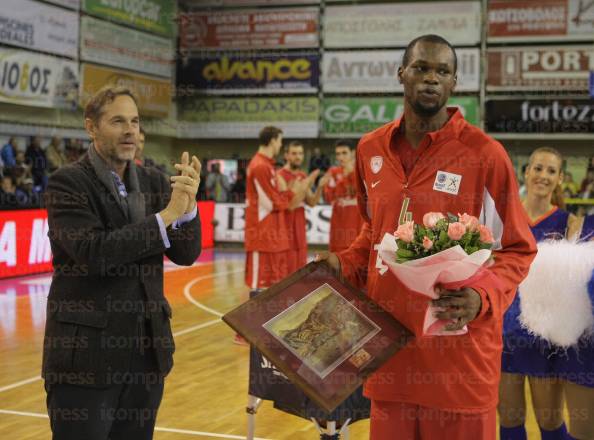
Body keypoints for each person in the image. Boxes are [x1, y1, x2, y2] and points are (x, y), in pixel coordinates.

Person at [317, 34, 536, 439]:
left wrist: (481, 297)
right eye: (421, 68)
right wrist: (340, 263)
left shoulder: (485, 155)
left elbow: (518, 250)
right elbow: (374, 233)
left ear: (454, 83)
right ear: (401, 74)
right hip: (391, 357)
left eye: (442, 71)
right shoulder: (369, 149)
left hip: (460, 362)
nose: (431, 78)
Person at [42, 86, 202, 440]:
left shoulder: (154, 180)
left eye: (135, 121)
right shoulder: (67, 182)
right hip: (85, 361)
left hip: (146, 357)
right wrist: (167, 215)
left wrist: (188, 209)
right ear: (91, 127)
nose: (131, 130)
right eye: (118, 121)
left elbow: (186, 255)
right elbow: (95, 253)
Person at [499, 147, 581, 440]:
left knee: (550, 425)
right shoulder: (503, 216)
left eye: (550, 171)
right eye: (537, 168)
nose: (542, 176)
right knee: (509, 423)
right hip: (502, 333)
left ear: (560, 178)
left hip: (545, 337)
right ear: (526, 172)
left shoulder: (569, 224)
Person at [240, 126, 317, 346]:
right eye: (280, 141)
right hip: (261, 234)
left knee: (269, 285)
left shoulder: (266, 166)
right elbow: (271, 202)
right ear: (273, 141)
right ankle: (244, 332)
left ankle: (261, 329)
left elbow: (278, 199)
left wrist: (293, 192)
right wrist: (295, 192)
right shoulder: (259, 166)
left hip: (271, 235)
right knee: (257, 284)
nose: (281, 145)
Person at [278, 141, 326, 272]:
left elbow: (312, 202)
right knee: (287, 263)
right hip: (286, 223)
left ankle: (297, 291)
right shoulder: (280, 175)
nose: (298, 157)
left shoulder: (303, 176)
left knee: (300, 263)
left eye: (300, 153)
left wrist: (320, 187)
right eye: (294, 153)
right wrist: (306, 184)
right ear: (286, 155)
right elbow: (290, 206)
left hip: (299, 222)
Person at [322, 139, 364, 252]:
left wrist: (351, 174)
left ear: (353, 153)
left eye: (344, 153)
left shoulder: (362, 171)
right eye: (338, 154)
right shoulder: (333, 172)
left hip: (357, 225)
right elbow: (328, 197)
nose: (341, 157)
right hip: (339, 226)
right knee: (338, 262)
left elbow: (366, 197)